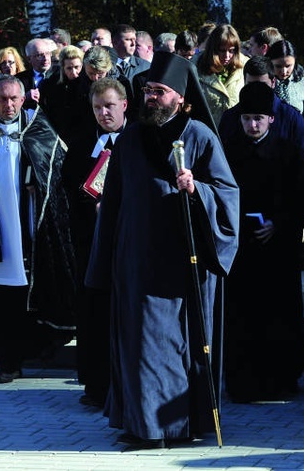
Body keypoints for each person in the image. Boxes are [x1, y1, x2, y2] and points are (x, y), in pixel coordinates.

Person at [85, 52, 239, 448]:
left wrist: (197, 190)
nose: (150, 97)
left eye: (160, 91)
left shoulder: (200, 136)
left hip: (184, 266)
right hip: (135, 262)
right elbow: (113, 202)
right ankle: (143, 427)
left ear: (182, 99)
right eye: (148, 90)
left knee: (177, 348)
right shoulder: (130, 139)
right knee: (140, 347)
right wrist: (103, 263)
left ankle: (181, 425)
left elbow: (227, 196)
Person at [0, 74, 75, 384]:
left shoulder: (38, 130)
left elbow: (57, 168)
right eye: (2, 99)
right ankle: (8, 362)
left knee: (34, 290)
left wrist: (39, 184)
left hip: (31, 229)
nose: (8, 104)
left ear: (24, 99)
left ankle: (40, 348)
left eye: (14, 99)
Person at [220, 82, 304, 402]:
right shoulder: (228, 151)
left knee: (279, 315)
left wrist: (280, 223)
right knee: (242, 316)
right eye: (246, 118)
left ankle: (281, 379)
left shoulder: (289, 153)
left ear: (271, 119)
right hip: (242, 249)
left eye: (259, 118)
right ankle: (243, 382)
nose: (252, 125)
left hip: (278, 250)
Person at [62, 77, 128, 409]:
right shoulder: (82, 142)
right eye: (97, 108)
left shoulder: (140, 139)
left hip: (130, 242)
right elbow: (70, 184)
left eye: (109, 106)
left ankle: (127, 384)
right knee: (94, 311)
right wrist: (91, 204)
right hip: (92, 241)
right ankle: (97, 384)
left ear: (124, 106)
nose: (103, 113)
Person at [266, 39, 304, 178]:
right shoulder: (265, 81)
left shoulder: (303, 82)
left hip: (297, 147)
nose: (284, 71)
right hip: (269, 149)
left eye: (288, 66)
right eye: (278, 66)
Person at [197, 24, 249, 125]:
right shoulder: (195, 65)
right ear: (213, 49)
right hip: (206, 130)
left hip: (236, 131)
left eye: (231, 51)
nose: (227, 56)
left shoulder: (246, 65)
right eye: (222, 50)